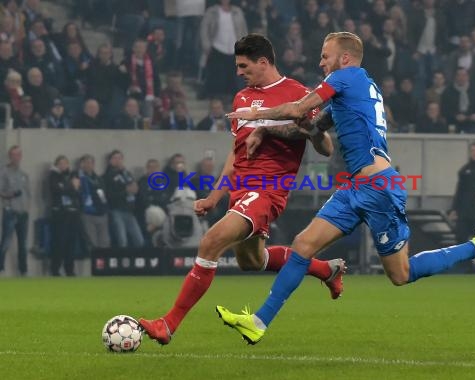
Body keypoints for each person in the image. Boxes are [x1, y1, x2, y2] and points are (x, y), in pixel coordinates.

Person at [219, 32, 475, 345]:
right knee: (303, 244)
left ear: (344, 58)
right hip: (356, 185)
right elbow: (311, 130)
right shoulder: (354, 89)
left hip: (380, 186)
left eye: (325, 56)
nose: (320, 62)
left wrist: (257, 116)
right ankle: (259, 322)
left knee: (401, 275)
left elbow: (297, 109)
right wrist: (267, 133)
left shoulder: (347, 77)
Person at [139, 34, 345, 345]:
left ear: (264, 62)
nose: (238, 72)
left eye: (243, 65)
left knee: (210, 242)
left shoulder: (299, 95)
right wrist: (215, 196)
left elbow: (326, 146)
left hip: (267, 190)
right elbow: (235, 154)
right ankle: (325, 269)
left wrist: (310, 132)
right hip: (242, 191)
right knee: (252, 261)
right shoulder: (242, 99)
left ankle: (167, 325)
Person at [0, 146, 30, 275]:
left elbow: (28, 193)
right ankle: (0, 268)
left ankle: (23, 271)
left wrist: (27, 207)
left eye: (18, 154)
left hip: (23, 212)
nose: (16, 157)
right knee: (6, 241)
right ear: (10, 156)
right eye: (13, 155)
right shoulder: (4, 172)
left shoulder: (24, 174)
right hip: (10, 211)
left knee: (23, 243)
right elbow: (1, 191)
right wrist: (11, 195)